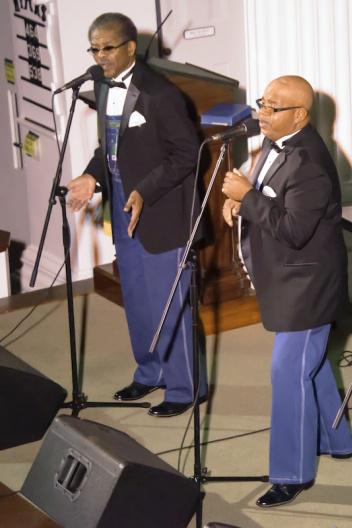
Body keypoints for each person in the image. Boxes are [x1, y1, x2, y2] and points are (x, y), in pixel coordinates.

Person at [221, 75, 352, 508]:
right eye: (262, 102)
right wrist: (244, 199)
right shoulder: (278, 144)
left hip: (308, 284)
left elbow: (294, 230)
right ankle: (335, 440)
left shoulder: (310, 162)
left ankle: (292, 472)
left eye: (273, 107)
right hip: (289, 277)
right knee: (308, 366)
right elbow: (274, 198)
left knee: (288, 371)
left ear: (299, 114)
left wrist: (247, 195)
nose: (261, 111)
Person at [66, 13, 206, 417]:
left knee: (169, 299)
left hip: (161, 206)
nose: (100, 55)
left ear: (130, 47)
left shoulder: (160, 94)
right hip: (120, 201)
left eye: (107, 47)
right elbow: (111, 147)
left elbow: (186, 154)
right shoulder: (99, 83)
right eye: (94, 48)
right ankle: (150, 371)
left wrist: (144, 189)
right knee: (139, 296)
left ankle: (186, 387)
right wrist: (93, 177)